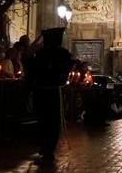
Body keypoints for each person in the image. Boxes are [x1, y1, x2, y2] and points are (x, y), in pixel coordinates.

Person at [24, 27, 72, 160]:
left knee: (43, 120)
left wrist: (39, 37)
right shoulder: (62, 53)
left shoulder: (40, 53)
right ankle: (49, 148)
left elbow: (27, 57)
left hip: (40, 91)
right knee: (53, 121)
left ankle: (45, 147)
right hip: (53, 92)